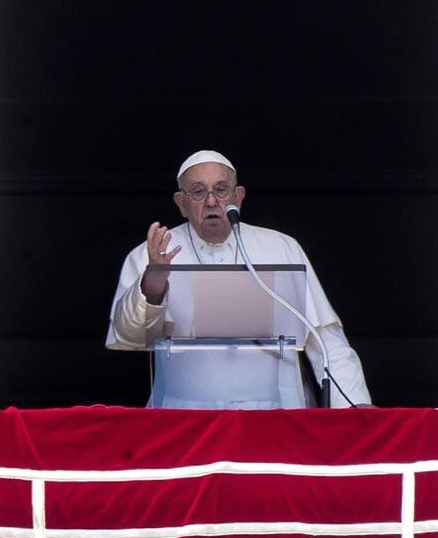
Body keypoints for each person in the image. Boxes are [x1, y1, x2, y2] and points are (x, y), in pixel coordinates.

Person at [106, 150, 371, 409]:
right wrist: (155, 280)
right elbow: (130, 336)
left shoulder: (280, 247)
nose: (211, 202)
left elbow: (324, 339)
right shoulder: (153, 252)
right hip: (184, 415)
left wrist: (354, 408)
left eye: (221, 190)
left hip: (276, 413)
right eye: (198, 192)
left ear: (238, 197)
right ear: (181, 203)